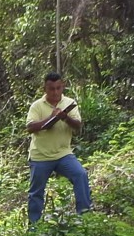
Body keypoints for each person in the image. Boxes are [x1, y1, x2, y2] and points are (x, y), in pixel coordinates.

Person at [26, 72, 92, 224]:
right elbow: (30, 127)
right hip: (40, 157)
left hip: (63, 154)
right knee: (36, 192)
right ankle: (34, 227)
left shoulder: (69, 103)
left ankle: (85, 217)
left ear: (63, 87)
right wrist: (52, 118)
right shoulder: (37, 106)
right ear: (45, 89)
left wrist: (64, 117)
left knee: (80, 175)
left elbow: (77, 125)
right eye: (51, 89)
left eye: (58, 88)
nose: (55, 92)